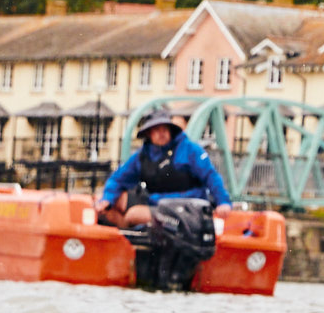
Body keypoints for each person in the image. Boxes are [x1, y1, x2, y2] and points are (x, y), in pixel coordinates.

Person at [97, 108, 235, 289]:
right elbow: (118, 179)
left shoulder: (190, 150)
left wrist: (223, 202)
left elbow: (211, 176)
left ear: (171, 130)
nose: (161, 133)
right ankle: (128, 249)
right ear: (149, 133)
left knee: (133, 215)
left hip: (188, 209)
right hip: (156, 204)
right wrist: (106, 200)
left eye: (164, 129)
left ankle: (141, 236)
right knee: (111, 207)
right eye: (156, 130)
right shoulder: (142, 155)